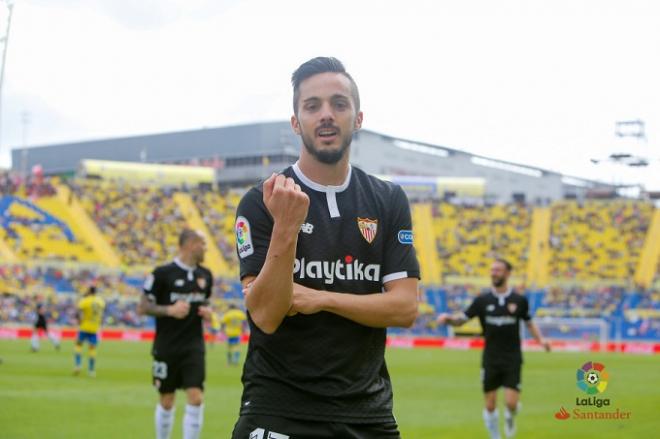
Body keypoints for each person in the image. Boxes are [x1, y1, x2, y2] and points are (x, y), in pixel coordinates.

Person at [232, 57, 419, 439]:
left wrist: (321, 298)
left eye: (339, 103)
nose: (327, 115)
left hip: (368, 414)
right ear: (296, 123)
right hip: (279, 410)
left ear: (359, 117)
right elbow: (266, 314)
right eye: (312, 106)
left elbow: (404, 307)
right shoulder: (264, 199)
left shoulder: (388, 199)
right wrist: (287, 225)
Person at [436, 259, 551, 439]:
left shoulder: (519, 300)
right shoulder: (482, 300)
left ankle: (510, 417)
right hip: (490, 358)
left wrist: (541, 341)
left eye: (498, 270)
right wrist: (448, 318)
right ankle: (495, 436)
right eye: (492, 270)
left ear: (507, 273)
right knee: (490, 405)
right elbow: (463, 319)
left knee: (512, 404)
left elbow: (529, 323)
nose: (494, 273)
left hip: (513, 358)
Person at [138, 229, 214, 439]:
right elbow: (142, 307)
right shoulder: (162, 274)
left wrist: (207, 313)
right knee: (167, 400)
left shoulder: (205, 275)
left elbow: (205, 303)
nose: (206, 248)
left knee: (196, 397)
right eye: (203, 243)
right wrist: (169, 310)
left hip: (193, 346)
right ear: (190, 244)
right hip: (167, 346)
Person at [74, 285, 106, 377]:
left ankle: (78, 365)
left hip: (84, 326)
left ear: (89, 291)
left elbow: (79, 311)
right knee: (92, 349)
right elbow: (102, 312)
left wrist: (79, 320)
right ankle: (91, 370)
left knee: (78, 345)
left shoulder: (85, 300)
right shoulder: (100, 301)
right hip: (94, 328)